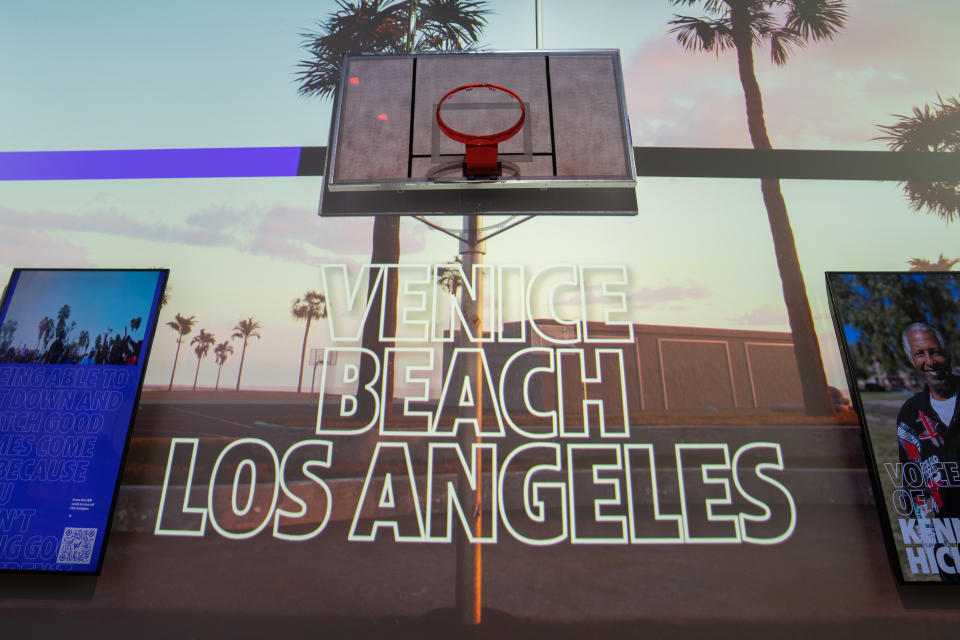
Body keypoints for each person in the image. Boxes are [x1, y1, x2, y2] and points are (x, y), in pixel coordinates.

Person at [897, 322, 960, 579]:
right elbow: (913, 485)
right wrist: (930, 541)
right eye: (920, 354)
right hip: (949, 541)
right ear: (912, 360)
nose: (930, 361)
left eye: (935, 352)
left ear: (948, 354)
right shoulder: (910, 414)